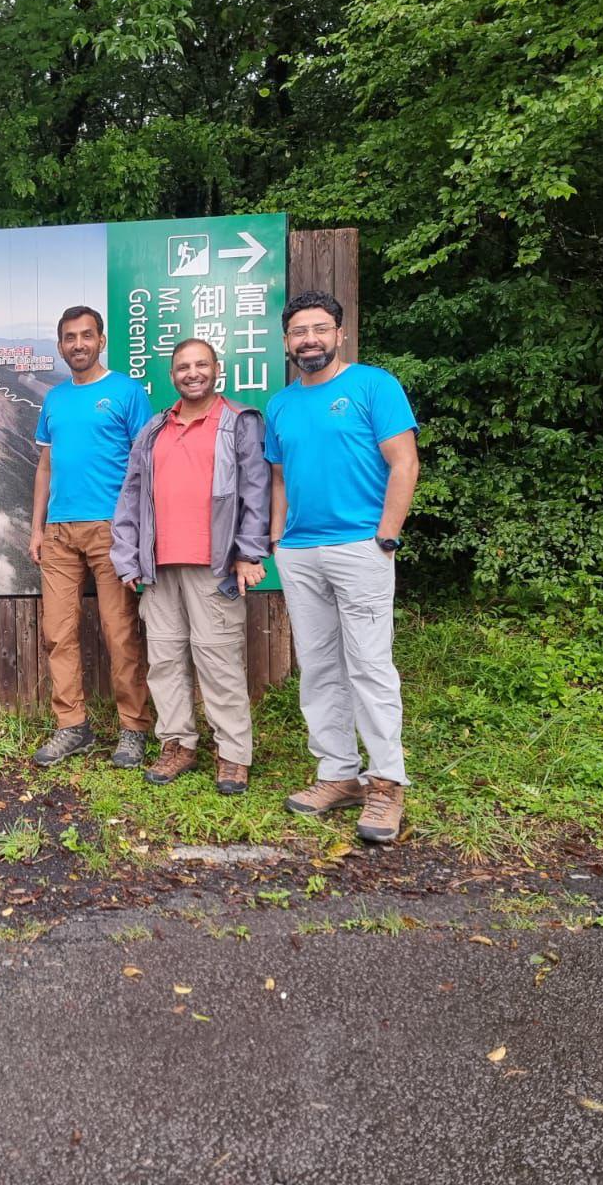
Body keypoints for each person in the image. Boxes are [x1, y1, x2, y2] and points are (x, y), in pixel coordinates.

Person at [266, 290, 420, 843]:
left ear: (339, 333)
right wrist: (279, 539)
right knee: (319, 666)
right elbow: (279, 478)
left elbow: (404, 462)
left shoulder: (373, 386)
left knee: (370, 666)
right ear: (287, 342)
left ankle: (385, 784)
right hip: (301, 552)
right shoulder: (281, 405)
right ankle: (337, 774)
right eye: (298, 331)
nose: (309, 339)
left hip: (361, 546)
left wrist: (387, 536)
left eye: (319, 329)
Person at [112, 339, 270, 794]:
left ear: (217, 369)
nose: (192, 372)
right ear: (172, 374)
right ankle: (178, 744)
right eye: (183, 366)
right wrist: (127, 556)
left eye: (201, 364)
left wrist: (249, 552)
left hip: (214, 565)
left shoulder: (238, 422)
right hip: (158, 567)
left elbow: (255, 493)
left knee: (218, 660)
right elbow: (131, 496)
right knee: (164, 661)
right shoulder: (154, 430)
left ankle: (232, 754)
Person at [29, 305, 155, 768]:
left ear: (102, 340)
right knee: (58, 634)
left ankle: (133, 729)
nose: (78, 344)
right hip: (59, 532)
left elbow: (146, 465)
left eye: (86, 335)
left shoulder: (126, 392)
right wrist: (37, 527)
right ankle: (72, 726)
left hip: (112, 529)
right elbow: (45, 465)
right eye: (69, 337)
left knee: (118, 632)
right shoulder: (55, 399)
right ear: (60, 345)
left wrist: (139, 532)